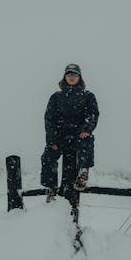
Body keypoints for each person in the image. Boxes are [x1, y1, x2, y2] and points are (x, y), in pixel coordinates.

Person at [40, 64, 99, 203]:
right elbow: (49, 119)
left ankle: (83, 172)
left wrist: (86, 129)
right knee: (48, 154)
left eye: (75, 74)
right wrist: (52, 140)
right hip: (61, 135)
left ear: (79, 77)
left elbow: (93, 114)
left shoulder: (88, 96)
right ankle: (51, 189)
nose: (72, 77)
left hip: (79, 135)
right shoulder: (56, 97)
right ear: (64, 77)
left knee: (87, 140)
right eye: (69, 74)